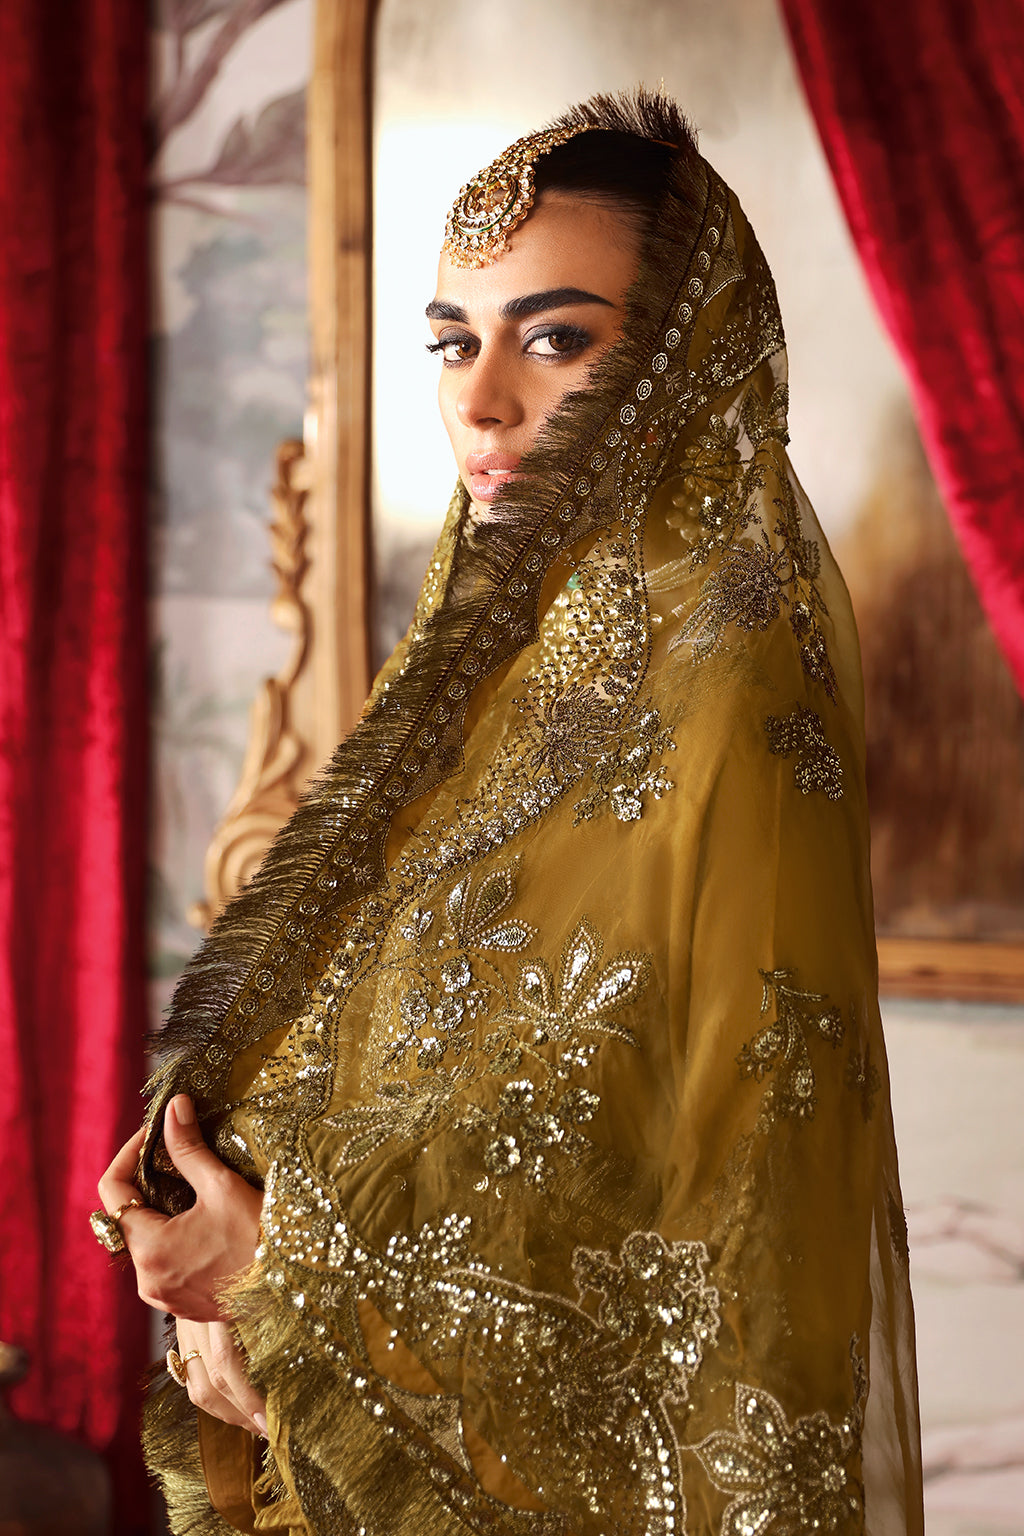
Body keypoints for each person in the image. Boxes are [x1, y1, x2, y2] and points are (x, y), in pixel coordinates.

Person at [96, 90, 925, 1534]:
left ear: (683, 362)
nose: (480, 402)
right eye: (452, 342)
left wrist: (281, 1285)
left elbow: (733, 1268)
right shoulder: (484, 668)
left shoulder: (729, 698)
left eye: (554, 341)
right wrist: (205, 1170)